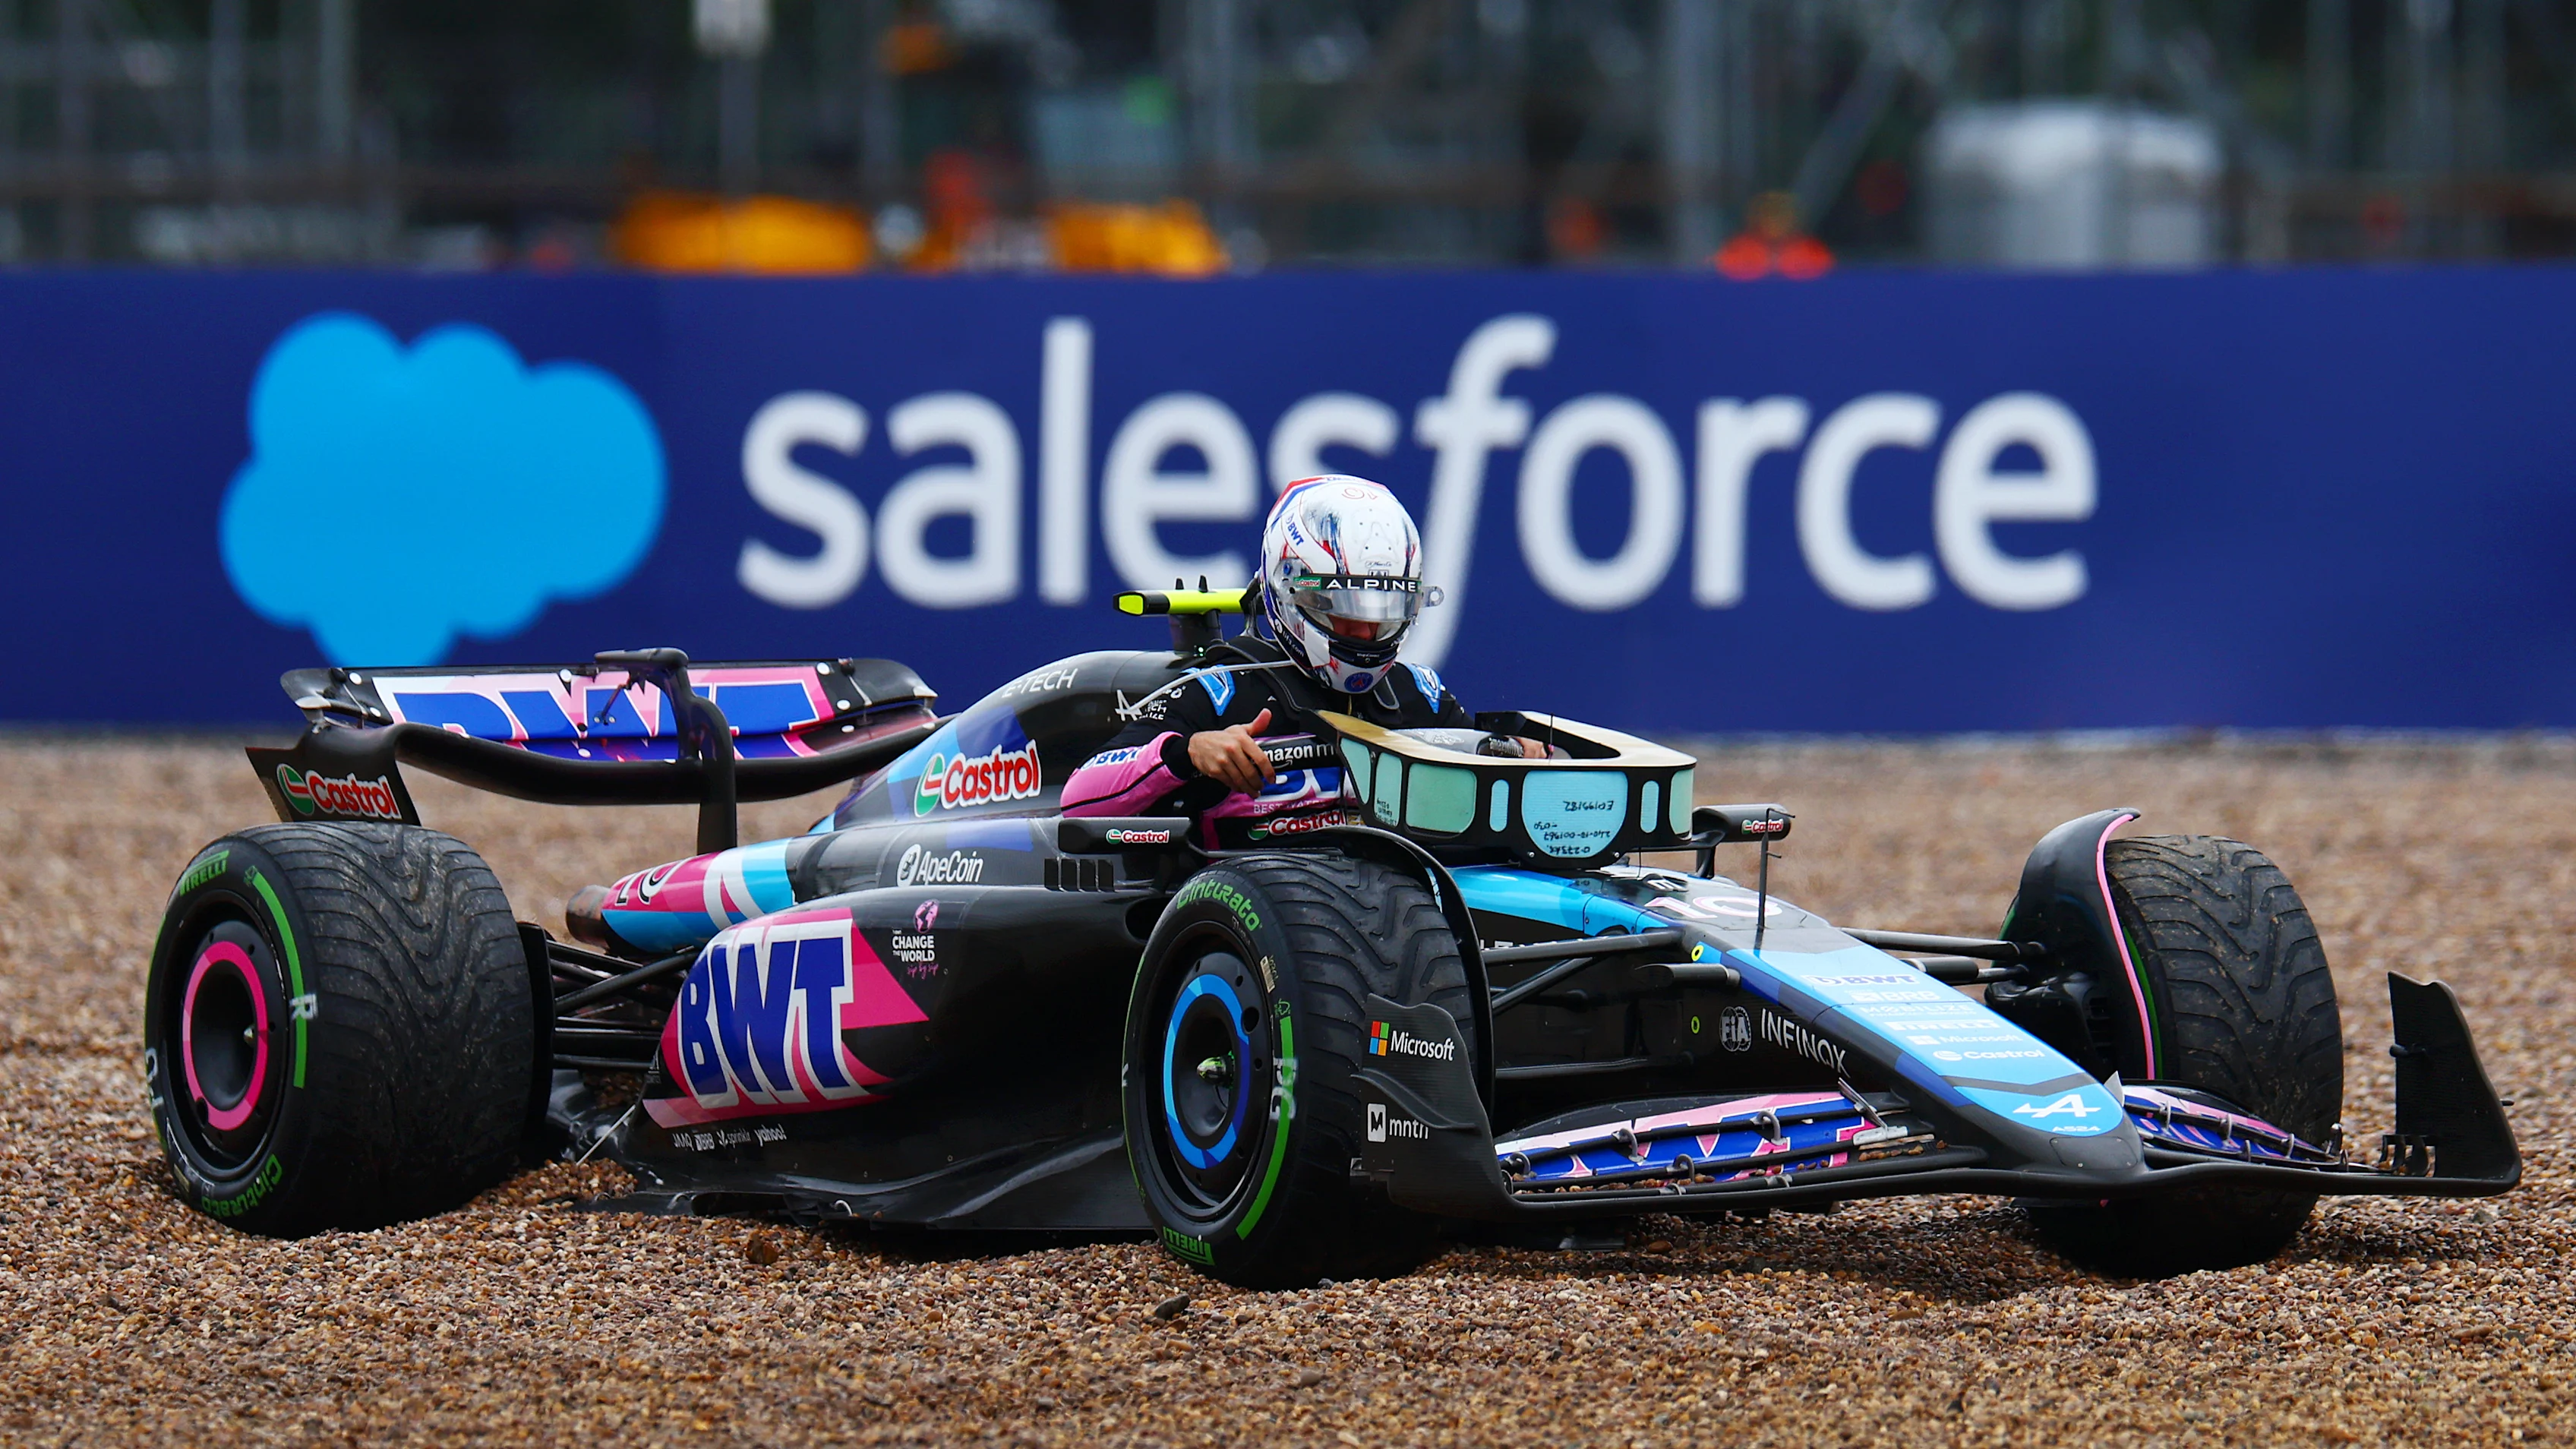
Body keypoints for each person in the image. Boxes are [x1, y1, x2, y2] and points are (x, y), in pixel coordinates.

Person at [1062, 474, 1521, 847]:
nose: (1365, 633)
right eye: (1345, 611)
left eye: (1382, 614)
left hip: (1402, 927)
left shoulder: (1418, 695)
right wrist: (1190, 754)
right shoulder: (1222, 693)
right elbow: (1078, 797)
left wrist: (1523, 761)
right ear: (1289, 591)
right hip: (1250, 931)